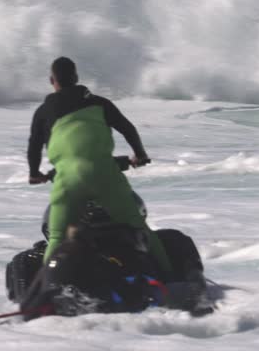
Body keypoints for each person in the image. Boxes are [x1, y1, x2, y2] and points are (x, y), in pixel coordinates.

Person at [26, 57, 171, 273]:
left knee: (56, 237)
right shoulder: (100, 103)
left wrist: (35, 173)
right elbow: (127, 128)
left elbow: (34, 146)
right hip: (105, 174)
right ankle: (172, 279)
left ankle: (47, 293)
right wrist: (139, 155)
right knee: (140, 227)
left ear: (51, 81)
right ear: (76, 78)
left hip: (68, 179)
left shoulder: (44, 111)